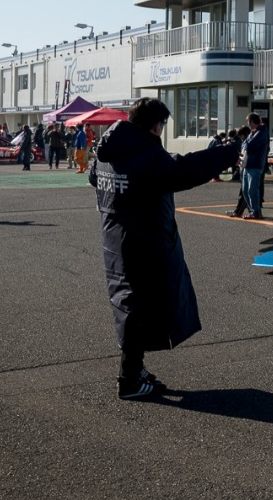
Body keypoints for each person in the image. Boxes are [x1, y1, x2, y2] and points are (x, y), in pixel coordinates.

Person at [91, 97, 241, 400]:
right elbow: (183, 170)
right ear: (155, 125)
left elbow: (96, 179)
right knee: (138, 308)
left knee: (127, 305)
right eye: (161, 124)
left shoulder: (108, 151)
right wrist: (228, 152)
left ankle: (135, 370)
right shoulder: (146, 155)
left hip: (115, 241)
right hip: (143, 243)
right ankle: (129, 379)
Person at [240, 113, 269, 219]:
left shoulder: (261, 132)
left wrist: (246, 142)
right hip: (248, 164)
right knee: (245, 190)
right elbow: (244, 144)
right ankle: (253, 210)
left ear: (252, 121)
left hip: (255, 165)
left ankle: (256, 211)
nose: (248, 124)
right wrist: (246, 142)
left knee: (252, 190)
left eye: (248, 121)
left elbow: (248, 145)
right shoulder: (254, 132)